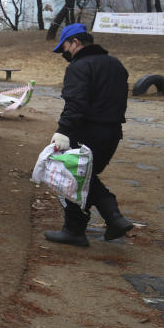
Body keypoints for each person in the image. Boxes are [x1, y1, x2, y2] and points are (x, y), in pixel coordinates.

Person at [44, 23, 134, 246]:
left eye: (64, 47)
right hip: (112, 133)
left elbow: (75, 103)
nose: (64, 54)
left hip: (86, 132)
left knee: (73, 174)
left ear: (76, 42)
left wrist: (63, 130)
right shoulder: (116, 65)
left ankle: (107, 218)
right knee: (84, 177)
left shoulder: (80, 66)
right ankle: (86, 226)